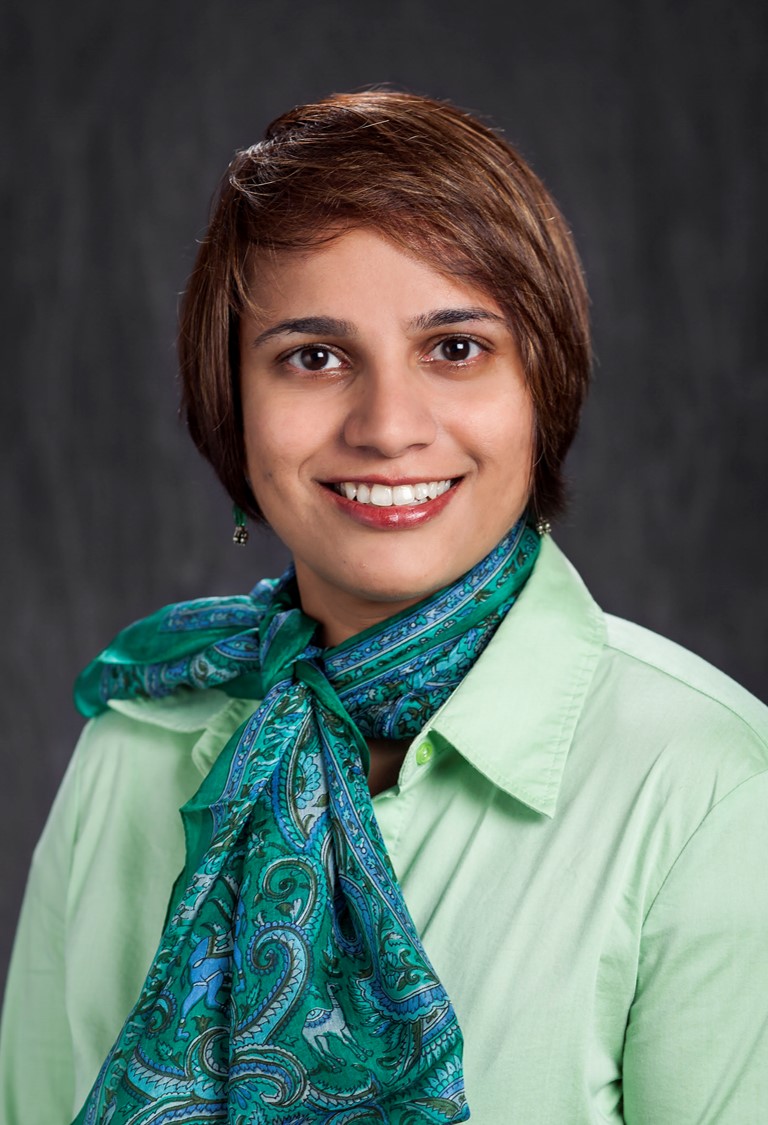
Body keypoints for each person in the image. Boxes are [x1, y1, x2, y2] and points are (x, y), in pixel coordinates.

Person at [1, 90, 767, 1125]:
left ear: (542, 384)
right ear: (232, 401)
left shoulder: (714, 789)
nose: (389, 426)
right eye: (314, 357)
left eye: (455, 348)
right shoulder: (132, 741)